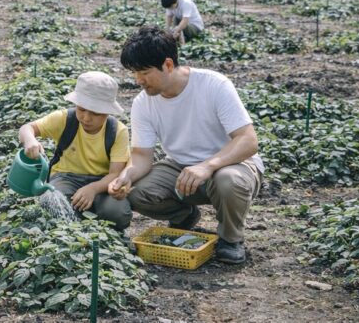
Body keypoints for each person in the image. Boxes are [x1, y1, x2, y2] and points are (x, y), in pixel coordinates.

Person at [108, 26, 264, 264]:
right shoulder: (143, 103)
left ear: (168, 65)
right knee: (137, 191)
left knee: (228, 180)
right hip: (180, 168)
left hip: (231, 164)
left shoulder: (214, 85)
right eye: (134, 73)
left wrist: (207, 166)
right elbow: (141, 155)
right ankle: (185, 215)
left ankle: (231, 239)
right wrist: (126, 176)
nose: (138, 80)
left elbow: (248, 140)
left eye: (144, 72)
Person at [18, 71, 132, 231]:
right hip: (66, 177)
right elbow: (27, 128)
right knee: (50, 202)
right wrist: (30, 140)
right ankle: (80, 222)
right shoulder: (64, 120)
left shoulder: (117, 131)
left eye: (95, 113)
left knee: (117, 213)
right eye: (82, 109)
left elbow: (115, 174)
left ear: (108, 111)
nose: (86, 118)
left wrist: (93, 189)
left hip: (103, 181)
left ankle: (92, 217)